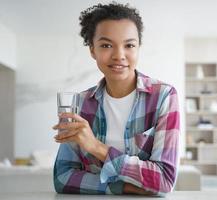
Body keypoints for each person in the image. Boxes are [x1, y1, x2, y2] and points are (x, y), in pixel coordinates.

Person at [52, 2, 180, 196]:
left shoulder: (164, 96)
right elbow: (62, 178)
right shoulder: (81, 102)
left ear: (138, 48)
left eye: (129, 45)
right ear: (92, 50)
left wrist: (96, 147)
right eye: (106, 45)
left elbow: (164, 181)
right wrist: (125, 188)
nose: (119, 55)